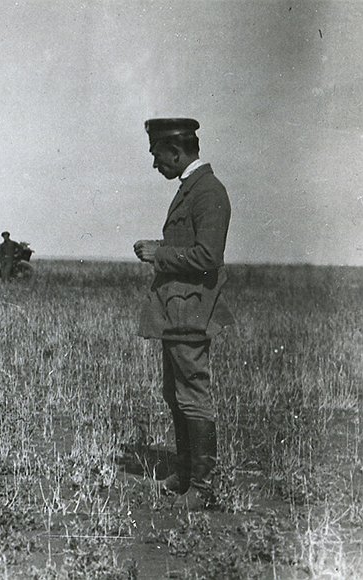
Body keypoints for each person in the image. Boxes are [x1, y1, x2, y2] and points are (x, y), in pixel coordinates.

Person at [134, 118, 234, 509]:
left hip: (190, 312)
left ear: (176, 152)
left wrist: (159, 253)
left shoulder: (208, 192)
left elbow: (209, 257)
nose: (155, 164)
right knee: (175, 395)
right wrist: (162, 246)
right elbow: (191, 247)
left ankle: (202, 489)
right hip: (178, 313)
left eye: (158, 155)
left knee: (192, 397)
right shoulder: (193, 190)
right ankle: (186, 474)